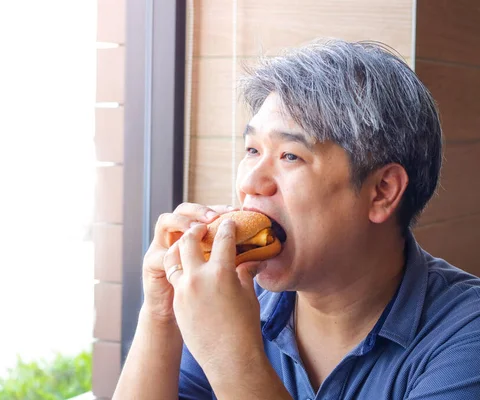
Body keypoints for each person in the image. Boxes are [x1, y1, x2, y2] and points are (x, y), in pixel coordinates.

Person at [112, 39, 480, 399]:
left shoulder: (466, 335)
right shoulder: (230, 295)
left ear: (382, 190)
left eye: (290, 156)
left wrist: (231, 354)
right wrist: (161, 314)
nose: (250, 182)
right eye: (252, 150)